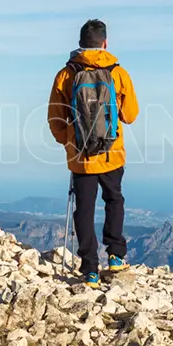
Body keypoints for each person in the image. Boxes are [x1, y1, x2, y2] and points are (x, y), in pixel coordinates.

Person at [48, 19, 140, 288]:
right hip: (112, 152)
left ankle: (89, 270)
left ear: (79, 44)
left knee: (84, 210)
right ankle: (115, 256)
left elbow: (55, 118)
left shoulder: (66, 74)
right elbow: (131, 115)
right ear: (105, 42)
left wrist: (68, 141)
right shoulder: (118, 73)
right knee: (114, 200)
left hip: (81, 157)